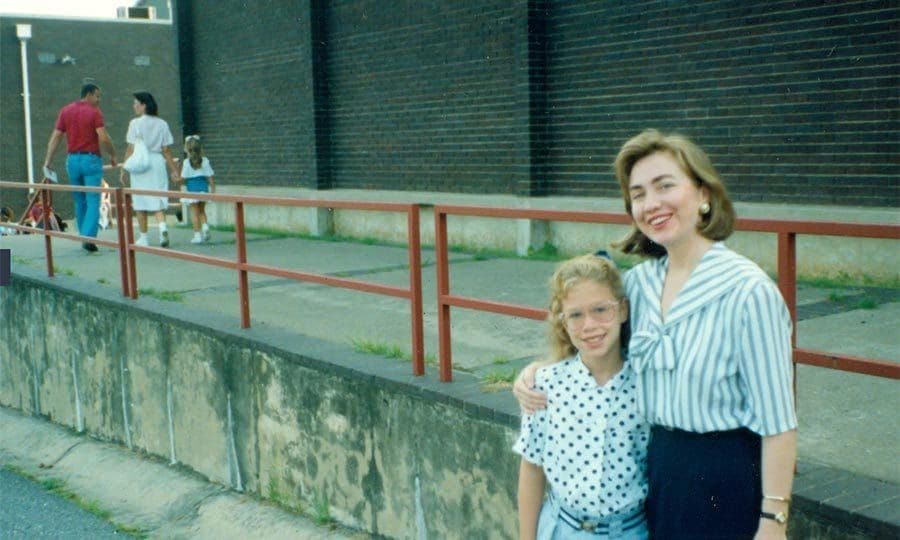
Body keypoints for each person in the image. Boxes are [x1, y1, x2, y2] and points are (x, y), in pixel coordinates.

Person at [514, 129, 797, 539]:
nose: (652, 203)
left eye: (665, 186)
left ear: (703, 194)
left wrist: (773, 521)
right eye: (639, 193)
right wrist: (538, 372)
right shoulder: (640, 285)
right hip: (660, 475)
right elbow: (593, 333)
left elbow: (778, 421)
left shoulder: (748, 292)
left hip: (725, 479)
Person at [515, 254, 649, 540]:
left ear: (623, 310)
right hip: (563, 529)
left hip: (631, 531)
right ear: (562, 321)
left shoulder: (647, 384)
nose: (589, 325)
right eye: (575, 315)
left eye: (601, 310)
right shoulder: (545, 385)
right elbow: (531, 468)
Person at [42, 83, 118, 252]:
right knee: (93, 200)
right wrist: (112, 154)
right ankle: (88, 237)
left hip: (72, 160)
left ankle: (83, 233)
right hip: (90, 159)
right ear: (89, 95)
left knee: (79, 199)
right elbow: (104, 137)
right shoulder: (94, 112)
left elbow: (56, 136)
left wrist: (48, 159)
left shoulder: (66, 111)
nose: (99, 100)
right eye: (97, 96)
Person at [120, 92, 179, 247]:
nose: (134, 106)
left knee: (140, 201)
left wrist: (124, 168)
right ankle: (162, 229)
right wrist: (174, 170)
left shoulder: (135, 123)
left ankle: (144, 238)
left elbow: (131, 148)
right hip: (157, 162)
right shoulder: (162, 124)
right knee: (157, 197)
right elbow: (166, 150)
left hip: (141, 163)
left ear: (143, 105)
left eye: (136, 103)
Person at [179, 135, 216, 244]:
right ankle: (205, 228)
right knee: (202, 211)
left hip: (192, 190)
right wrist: (212, 189)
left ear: (187, 149)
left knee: (194, 212)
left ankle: (197, 235)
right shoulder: (205, 161)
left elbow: (183, 179)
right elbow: (210, 176)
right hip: (203, 188)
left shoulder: (186, 162)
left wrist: (176, 178)